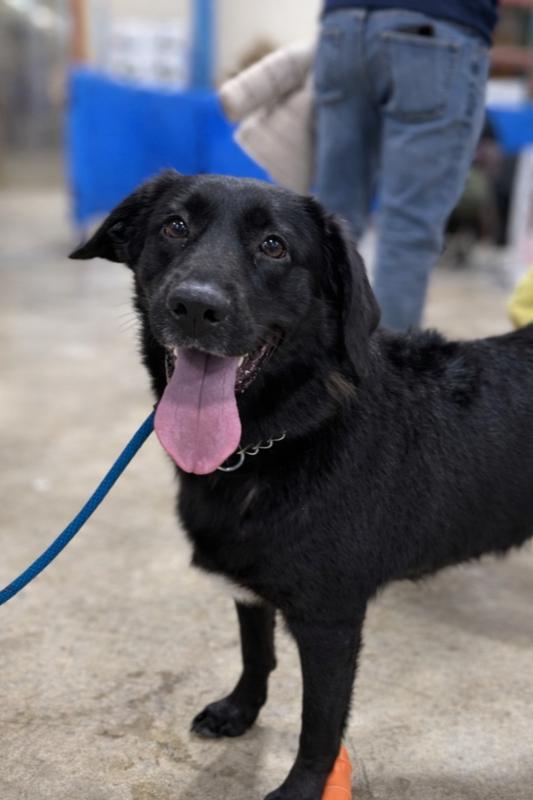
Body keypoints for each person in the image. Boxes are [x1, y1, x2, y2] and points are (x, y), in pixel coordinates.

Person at [314, 1, 498, 329]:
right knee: (407, 230)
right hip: (437, 30)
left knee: (330, 220)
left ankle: (310, 356)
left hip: (343, 26)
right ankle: (385, 360)